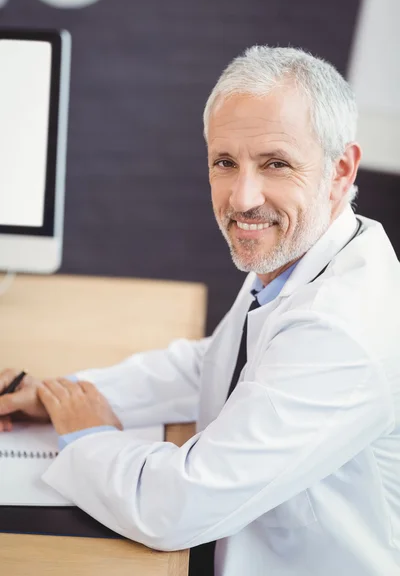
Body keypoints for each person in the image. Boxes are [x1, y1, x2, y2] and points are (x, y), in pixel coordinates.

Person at [1, 45, 400, 576]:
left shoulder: (343, 328)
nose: (241, 197)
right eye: (225, 163)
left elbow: (175, 507)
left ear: (341, 169)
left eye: (275, 163)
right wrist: (66, 394)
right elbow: (214, 362)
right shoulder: (305, 254)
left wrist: (87, 435)